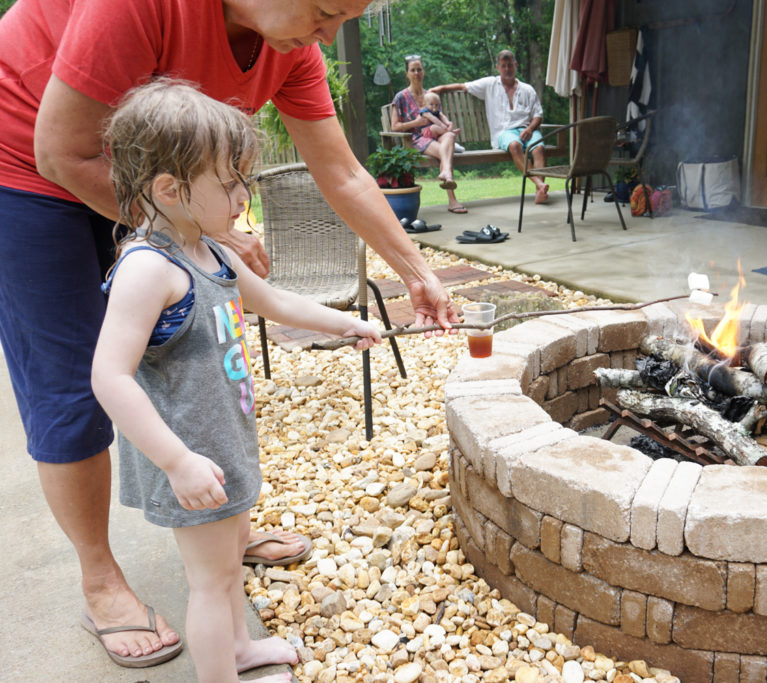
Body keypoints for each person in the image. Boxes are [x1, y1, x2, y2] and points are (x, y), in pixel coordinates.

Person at [0, 0, 458, 669]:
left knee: (204, 447)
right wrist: (191, 236)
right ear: (175, 190)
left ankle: (217, 527)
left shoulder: (290, 43)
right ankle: (102, 577)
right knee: (68, 384)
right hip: (28, 161)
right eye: (328, 10)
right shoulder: (142, 13)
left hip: (170, 206)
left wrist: (408, 277)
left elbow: (335, 181)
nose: (331, 35)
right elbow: (60, 152)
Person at [92, 80, 380, 682]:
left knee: (227, 566)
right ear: (169, 190)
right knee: (211, 579)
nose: (243, 195)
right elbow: (109, 377)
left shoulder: (211, 251)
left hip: (222, 441)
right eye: (230, 183)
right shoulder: (148, 269)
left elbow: (272, 302)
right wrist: (176, 462)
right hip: (189, 455)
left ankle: (240, 649)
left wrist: (348, 324)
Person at [432, 49, 550, 204]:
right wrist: (441, 88)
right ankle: (539, 184)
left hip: (529, 129)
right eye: (503, 66)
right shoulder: (490, 84)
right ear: (498, 68)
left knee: (539, 149)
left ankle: (539, 193)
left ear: (515, 65)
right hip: (505, 132)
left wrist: (529, 129)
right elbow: (463, 86)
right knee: (515, 146)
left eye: (510, 65)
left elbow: (538, 115)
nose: (507, 69)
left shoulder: (527, 89)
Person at [391, 55, 468, 213]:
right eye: (413, 70)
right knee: (445, 151)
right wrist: (415, 123)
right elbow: (395, 127)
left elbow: (439, 117)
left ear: (423, 71)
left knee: (450, 136)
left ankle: (445, 172)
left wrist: (448, 125)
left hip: (436, 134)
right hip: (415, 139)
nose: (417, 73)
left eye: (419, 69)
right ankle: (452, 199)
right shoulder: (401, 97)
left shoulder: (430, 95)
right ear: (407, 73)